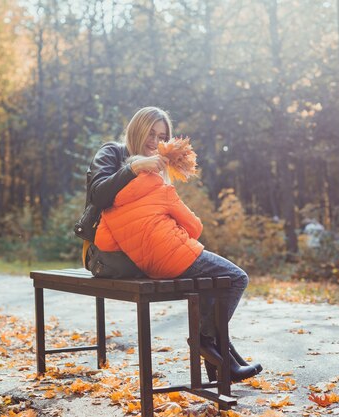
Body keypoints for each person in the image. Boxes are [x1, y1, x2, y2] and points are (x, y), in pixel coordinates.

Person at [76, 106, 262, 382]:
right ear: (136, 129)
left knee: (211, 281)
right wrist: (134, 167)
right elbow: (99, 195)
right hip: (107, 257)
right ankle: (210, 346)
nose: (155, 141)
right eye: (150, 133)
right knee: (220, 276)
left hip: (143, 251)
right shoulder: (113, 153)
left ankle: (219, 359)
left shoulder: (157, 169)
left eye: (162, 136)